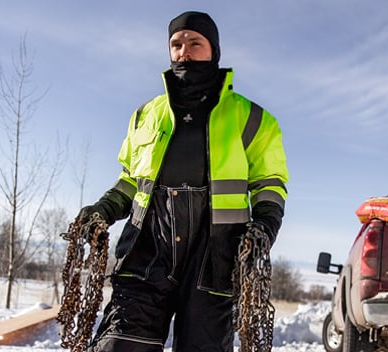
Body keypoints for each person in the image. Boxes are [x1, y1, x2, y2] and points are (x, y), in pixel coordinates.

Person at [76, 10, 289, 352]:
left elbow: (270, 182)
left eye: (195, 42)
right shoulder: (146, 115)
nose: (183, 51)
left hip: (216, 257)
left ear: (213, 51)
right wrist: (103, 208)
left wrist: (266, 224)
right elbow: (132, 180)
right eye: (176, 44)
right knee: (118, 346)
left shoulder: (252, 118)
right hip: (147, 252)